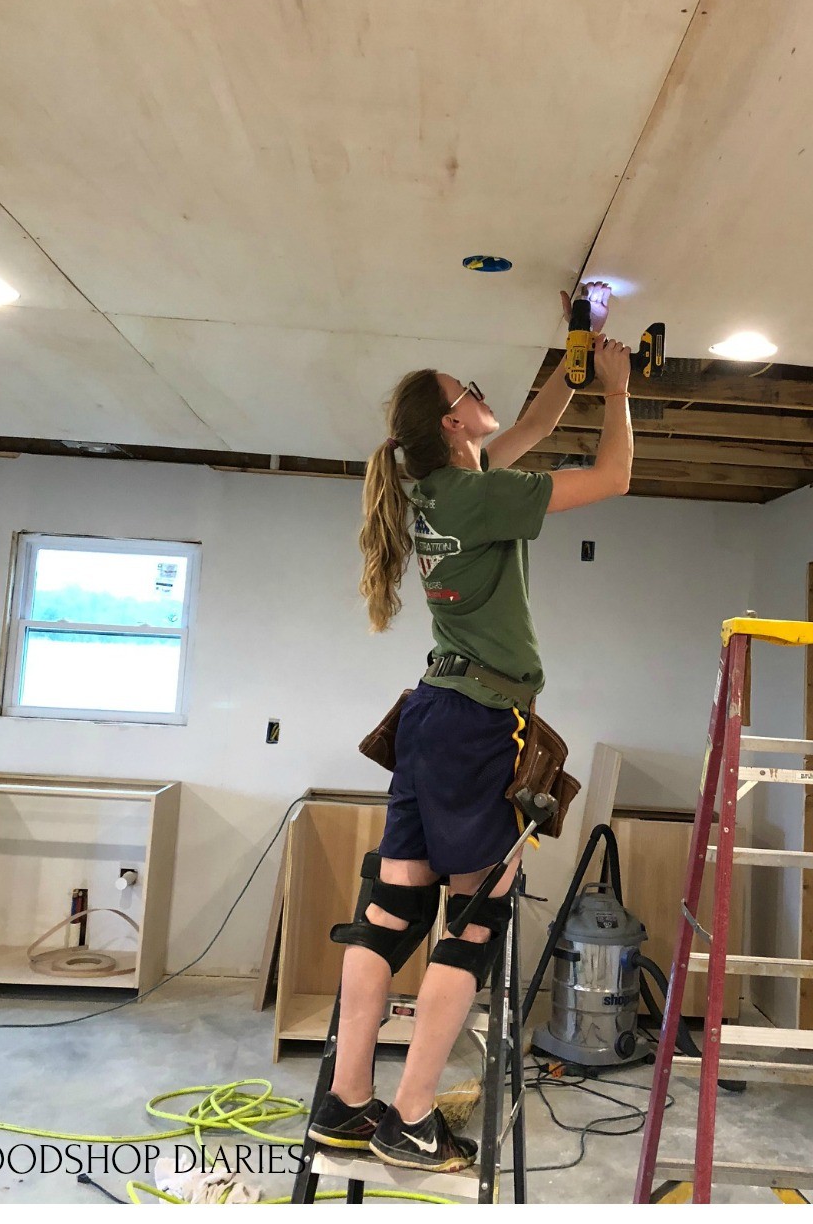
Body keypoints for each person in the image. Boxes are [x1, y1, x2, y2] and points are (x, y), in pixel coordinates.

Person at [307, 284, 633, 1173]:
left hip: (429, 718)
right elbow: (614, 478)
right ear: (455, 425)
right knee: (475, 920)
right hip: (476, 724)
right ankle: (411, 1118)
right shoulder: (477, 496)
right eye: (469, 391)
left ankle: (344, 1107)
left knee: (391, 911)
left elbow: (530, 417)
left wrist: (580, 345)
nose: (483, 397)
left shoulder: (441, 490)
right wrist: (619, 389)